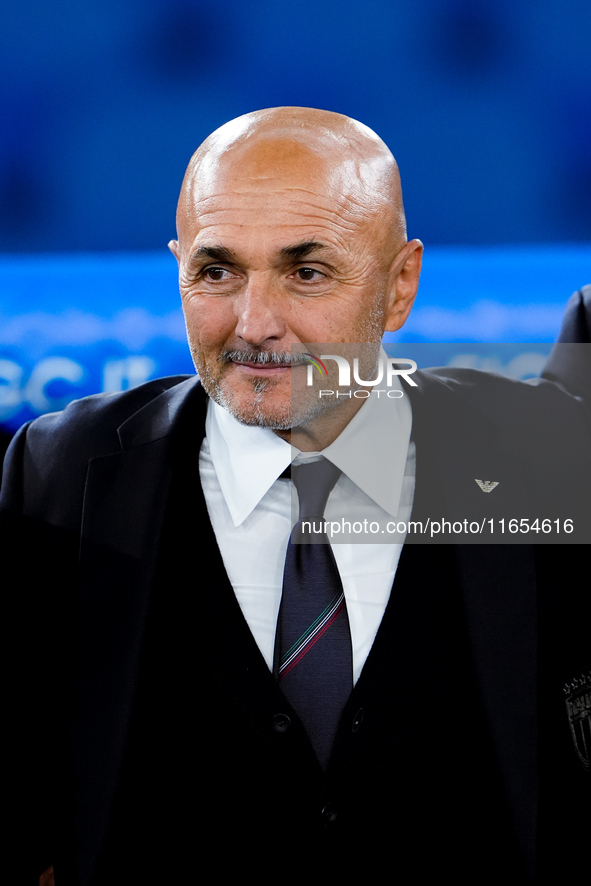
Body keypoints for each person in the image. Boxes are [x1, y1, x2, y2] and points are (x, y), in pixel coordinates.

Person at [2, 108, 589, 886]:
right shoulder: (62, 472)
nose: (254, 323)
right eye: (216, 271)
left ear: (398, 284)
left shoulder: (541, 452)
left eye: (306, 272)